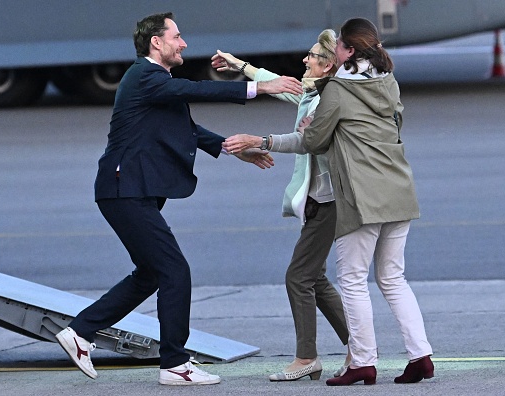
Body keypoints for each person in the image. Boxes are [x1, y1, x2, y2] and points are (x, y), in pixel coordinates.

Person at [54, 12, 303, 386]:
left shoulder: (155, 82)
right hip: (126, 191)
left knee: (151, 274)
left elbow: (184, 127)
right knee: (174, 271)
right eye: (177, 36)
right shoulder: (145, 76)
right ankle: (174, 363)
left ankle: (80, 332)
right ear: (157, 42)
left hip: (132, 190)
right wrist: (259, 88)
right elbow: (195, 89)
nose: (183, 43)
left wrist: (230, 148)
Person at [301, 18, 434, 386]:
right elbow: (396, 126)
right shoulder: (388, 82)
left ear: (349, 51)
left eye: (340, 44)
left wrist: (307, 128)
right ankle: (421, 355)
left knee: (353, 279)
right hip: (398, 188)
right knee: (393, 277)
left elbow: (314, 141)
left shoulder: (338, 90)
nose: (336, 49)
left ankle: (362, 361)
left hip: (361, 196)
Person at [211, 29, 350, 382]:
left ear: (328, 64)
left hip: (331, 199)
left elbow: (308, 143)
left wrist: (261, 140)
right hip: (319, 199)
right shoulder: (313, 93)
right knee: (314, 278)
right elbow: (279, 82)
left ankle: (307, 357)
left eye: (312, 56)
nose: (304, 60)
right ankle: (360, 348)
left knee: (298, 277)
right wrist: (240, 66)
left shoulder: (327, 101)